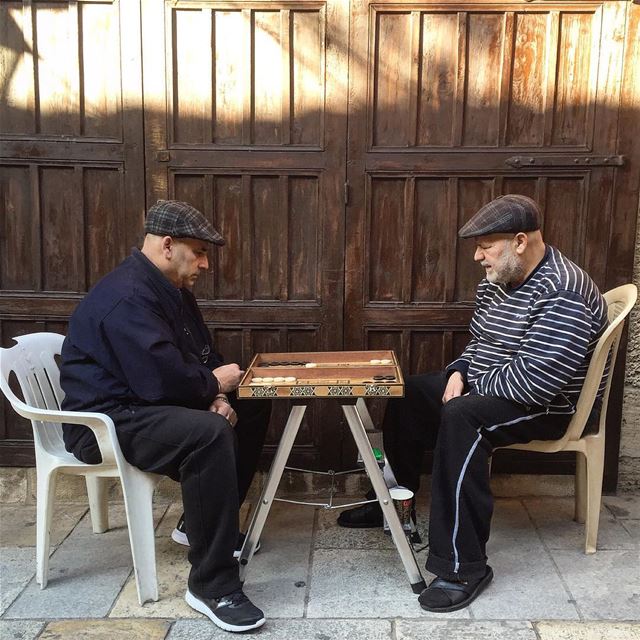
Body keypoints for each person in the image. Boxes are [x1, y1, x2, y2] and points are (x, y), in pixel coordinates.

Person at [337, 195, 608, 612]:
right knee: (409, 393)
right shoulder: (499, 279)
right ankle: (392, 505)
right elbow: (480, 345)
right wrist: (460, 372)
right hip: (495, 385)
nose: (478, 256)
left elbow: (536, 384)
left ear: (520, 241)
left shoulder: (563, 290)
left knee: (464, 417)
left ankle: (464, 567)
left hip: (552, 406)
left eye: (486, 246)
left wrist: (467, 388)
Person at [60, 200, 271, 632]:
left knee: (254, 399)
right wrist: (211, 389)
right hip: (106, 421)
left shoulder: (171, 290)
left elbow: (198, 357)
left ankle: (202, 526)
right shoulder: (126, 297)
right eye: (199, 252)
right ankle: (211, 586)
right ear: (168, 245)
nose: (206, 263)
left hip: (146, 403)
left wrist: (215, 392)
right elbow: (159, 380)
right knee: (209, 434)